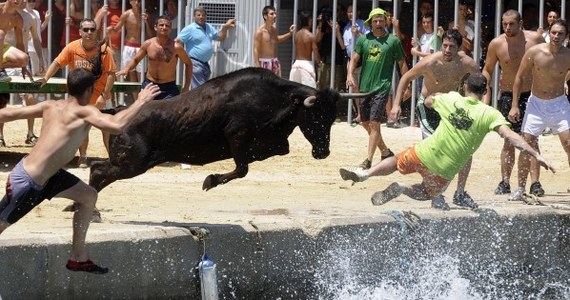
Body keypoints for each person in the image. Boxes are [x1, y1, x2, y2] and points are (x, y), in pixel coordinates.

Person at [0, 68, 161, 274]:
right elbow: (116, 125)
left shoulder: (52, 105)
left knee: (88, 196)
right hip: (29, 182)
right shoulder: (85, 111)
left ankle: (78, 257)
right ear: (89, 89)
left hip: (49, 176)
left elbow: (9, 113)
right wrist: (141, 101)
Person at [340, 73, 555, 207]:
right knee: (427, 193)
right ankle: (402, 189)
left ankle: (365, 173)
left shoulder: (451, 99)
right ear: (485, 92)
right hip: (444, 169)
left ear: (464, 88)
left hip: (425, 152)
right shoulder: (489, 114)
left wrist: (439, 95)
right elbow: (512, 137)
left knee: (396, 161)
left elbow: (428, 101)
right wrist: (536, 154)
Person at [390, 29, 480, 210]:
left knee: (466, 150)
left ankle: (460, 193)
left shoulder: (467, 64)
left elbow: (481, 83)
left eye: (451, 47)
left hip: (450, 108)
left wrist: (480, 106)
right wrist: (396, 104)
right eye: (444, 45)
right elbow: (406, 77)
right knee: (432, 151)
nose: (447, 50)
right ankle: (436, 195)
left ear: (458, 48)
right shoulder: (431, 62)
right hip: (429, 108)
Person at [482, 9, 545, 197]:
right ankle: (505, 181)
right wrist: (481, 91)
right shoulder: (497, 44)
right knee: (509, 141)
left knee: (532, 140)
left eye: (511, 24)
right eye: (504, 24)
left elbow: (548, 60)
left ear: (521, 23)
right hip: (508, 95)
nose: (507, 28)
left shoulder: (535, 40)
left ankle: (535, 182)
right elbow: (488, 70)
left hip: (531, 95)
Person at [36, 18, 116, 166]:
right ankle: (83, 157)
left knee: (107, 129)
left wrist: (103, 96)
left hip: (101, 97)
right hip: (81, 98)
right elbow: (57, 62)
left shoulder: (104, 50)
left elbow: (111, 74)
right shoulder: (72, 47)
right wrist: (46, 78)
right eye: (86, 29)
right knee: (81, 129)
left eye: (92, 29)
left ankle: (112, 158)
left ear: (96, 31)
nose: (89, 32)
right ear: (80, 32)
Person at [508, 19, 570, 201]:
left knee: (569, 144)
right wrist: (514, 105)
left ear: (566, 36)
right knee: (526, 145)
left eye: (561, 34)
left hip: (559, 103)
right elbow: (519, 77)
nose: (556, 36)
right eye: (554, 32)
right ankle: (520, 188)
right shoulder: (535, 52)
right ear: (548, 33)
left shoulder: (568, 55)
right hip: (536, 104)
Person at [346, 8, 408, 170]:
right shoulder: (363, 40)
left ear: (386, 21)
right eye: (375, 21)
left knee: (374, 124)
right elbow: (354, 59)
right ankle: (385, 151)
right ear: (370, 23)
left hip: (382, 87)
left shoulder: (393, 41)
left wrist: (407, 85)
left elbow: (402, 65)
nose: (378, 23)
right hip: (365, 88)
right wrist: (350, 74)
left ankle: (368, 160)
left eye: (381, 20)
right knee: (365, 122)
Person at [116, 15, 192, 99]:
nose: (164, 27)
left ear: (170, 29)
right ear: (155, 27)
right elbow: (136, 60)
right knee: (142, 109)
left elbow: (188, 64)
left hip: (168, 88)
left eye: (167, 26)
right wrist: (127, 68)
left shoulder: (176, 47)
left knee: (169, 111)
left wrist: (186, 86)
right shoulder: (148, 44)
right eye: (161, 25)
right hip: (150, 85)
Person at [176, 6, 235, 89]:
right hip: (195, 63)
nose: (201, 17)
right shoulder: (190, 29)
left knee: (200, 90)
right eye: (198, 15)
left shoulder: (209, 27)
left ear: (206, 16)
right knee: (200, 90)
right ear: (194, 17)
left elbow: (220, 37)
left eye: (203, 15)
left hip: (205, 64)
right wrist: (183, 57)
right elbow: (177, 42)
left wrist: (225, 27)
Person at [106, 0, 153, 100]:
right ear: (130, 2)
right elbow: (117, 28)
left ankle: (141, 99)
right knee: (131, 73)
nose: (136, 3)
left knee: (141, 75)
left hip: (141, 46)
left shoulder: (145, 15)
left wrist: (147, 22)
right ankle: (136, 100)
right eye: (134, 0)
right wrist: (111, 29)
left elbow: (150, 35)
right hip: (129, 46)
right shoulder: (126, 14)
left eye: (139, 1)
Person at [342, 4, 368, 122]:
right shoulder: (346, 28)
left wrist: (358, 33)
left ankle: (366, 113)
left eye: (352, 11)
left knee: (364, 88)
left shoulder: (363, 24)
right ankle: (359, 113)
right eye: (348, 12)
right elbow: (344, 46)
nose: (350, 14)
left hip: (362, 59)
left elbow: (369, 41)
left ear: (358, 12)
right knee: (354, 88)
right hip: (350, 60)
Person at [253, 5, 294, 77]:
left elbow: (276, 40)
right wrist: (258, 68)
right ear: (265, 16)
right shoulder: (259, 32)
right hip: (264, 63)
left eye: (275, 14)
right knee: (265, 87)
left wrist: (289, 34)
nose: (275, 16)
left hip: (275, 62)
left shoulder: (274, 29)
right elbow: (256, 50)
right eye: (272, 14)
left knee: (277, 86)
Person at [0, 0, 32, 82]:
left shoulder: (18, 19)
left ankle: (1, 67)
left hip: (1, 45)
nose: (17, 0)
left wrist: (24, 67)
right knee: (1, 33)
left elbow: (19, 43)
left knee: (24, 59)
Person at [289, 10, 320, 88]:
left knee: (294, 92)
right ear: (309, 21)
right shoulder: (311, 36)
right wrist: (319, 62)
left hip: (296, 65)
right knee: (309, 93)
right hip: (307, 66)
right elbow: (315, 51)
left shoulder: (296, 35)